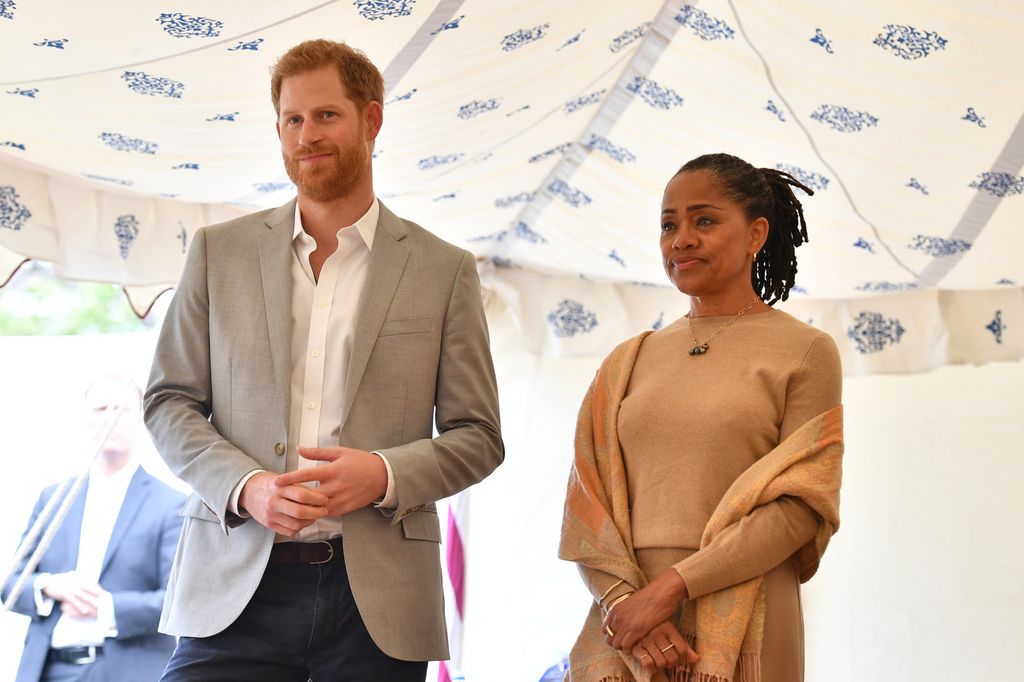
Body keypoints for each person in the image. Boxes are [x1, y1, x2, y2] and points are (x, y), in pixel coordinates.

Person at [144, 39, 503, 682]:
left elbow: (479, 437)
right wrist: (245, 487)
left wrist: (384, 474)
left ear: (372, 120)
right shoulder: (216, 253)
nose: (307, 135)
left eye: (326, 116)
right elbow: (168, 401)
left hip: (377, 608)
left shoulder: (445, 271)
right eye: (292, 119)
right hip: (232, 590)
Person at [559, 153, 844, 682]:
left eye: (704, 220)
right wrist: (628, 604)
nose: (681, 238)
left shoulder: (805, 351)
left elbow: (804, 504)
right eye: (669, 224)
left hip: (749, 605)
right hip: (629, 619)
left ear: (756, 233)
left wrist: (668, 590)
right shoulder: (627, 361)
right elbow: (587, 503)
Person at [3, 375, 185, 682]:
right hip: (47, 670)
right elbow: (10, 584)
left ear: (142, 419)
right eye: (101, 408)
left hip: (129, 672)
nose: (111, 417)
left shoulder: (173, 504)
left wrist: (106, 607)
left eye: (121, 409)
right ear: (86, 418)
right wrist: (48, 586)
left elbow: (178, 599)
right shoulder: (53, 499)